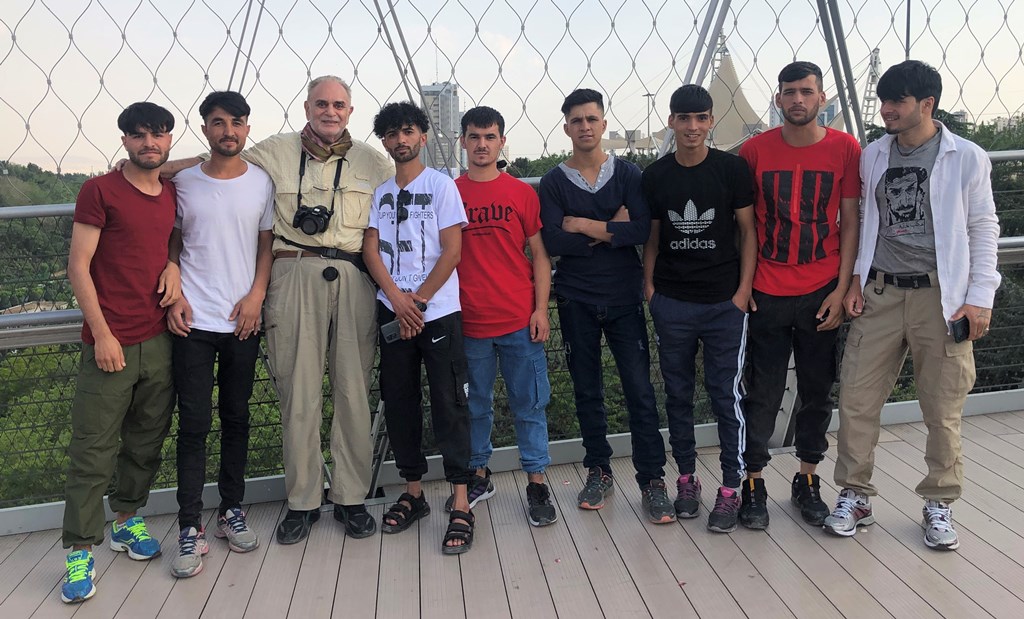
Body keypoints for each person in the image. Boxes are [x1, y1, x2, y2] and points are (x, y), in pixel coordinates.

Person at [156, 76, 393, 544]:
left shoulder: (372, 161)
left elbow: (405, 202)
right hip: (292, 273)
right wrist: (155, 168)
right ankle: (303, 501)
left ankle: (350, 497)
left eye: (339, 105)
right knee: (297, 393)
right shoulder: (273, 152)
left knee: (353, 391)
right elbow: (218, 163)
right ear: (306, 107)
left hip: (353, 278)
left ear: (350, 110)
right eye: (321, 103)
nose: (330, 111)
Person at [825, 60, 1001, 550]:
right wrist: (857, 279)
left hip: (939, 298)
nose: (886, 111)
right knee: (857, 399)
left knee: (941, 407)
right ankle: (855, 494)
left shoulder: (965, 157)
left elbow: (983, 227)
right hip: (880, 292)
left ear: (927, 104)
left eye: (897, 102)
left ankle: (939, 503)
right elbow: (864, 222)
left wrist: (979, 298)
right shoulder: (874, 154)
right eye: (883, 102)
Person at [60, 102, 181, 603]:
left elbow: (169, 238)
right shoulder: (100, 190)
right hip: (110, 340)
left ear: (170, 139)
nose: (148, 143)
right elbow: (78, 265)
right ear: (125, 140)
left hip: (159, 337)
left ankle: (126, 521)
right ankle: (78, 551)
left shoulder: (171, 191)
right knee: (93, 448)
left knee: (147, 439)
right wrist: (102, 333)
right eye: (138, 135)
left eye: (157, 134)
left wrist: (173, 266)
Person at [738, 61, 861, 529]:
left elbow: (849, 221)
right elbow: (743, 226)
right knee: (762, 392)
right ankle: (753, 481)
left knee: (816, 390)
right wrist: (744, 285)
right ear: (778, 99)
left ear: (821, 97)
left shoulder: (845, 149)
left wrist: (842, 285)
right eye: (789, 92)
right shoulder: (753, 151)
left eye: (806, 91)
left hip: (820, 290)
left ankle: (807, 478)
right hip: (767, 290)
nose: (797, 100)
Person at [539, 88, 669, 519]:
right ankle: (598, 469)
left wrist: (584, 225)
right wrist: (609, 228)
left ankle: (652, 477)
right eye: (577, 120)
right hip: (576, 299)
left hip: (624, 297)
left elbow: (640, 232)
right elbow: (554, 240)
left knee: (639, 391)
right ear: (566, 127)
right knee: (587, 391)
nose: (585, 127)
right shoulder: (555, 181)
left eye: (592, 119)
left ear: (603, 123)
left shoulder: (629, 172)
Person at [165, 91, 274, 578]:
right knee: (192, 425)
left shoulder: (262, 182)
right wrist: (173, 280)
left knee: (236, 417)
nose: (228, 130)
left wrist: (257, 296)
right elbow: (171, 238)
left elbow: (266, 246)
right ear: (205, 128)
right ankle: (189, 525)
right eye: (217, 122)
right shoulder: (182, 181)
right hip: (191, 321)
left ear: (248, 128)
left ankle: (232, 509)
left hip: (242, 321)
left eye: (236, 122)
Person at [362, 101, 476, 554]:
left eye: (408, 131)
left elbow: (452, 251)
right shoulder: (380, 191)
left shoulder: (442, 186)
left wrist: (420, 301)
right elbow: (372, 250)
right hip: (394, 309)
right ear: (385, 142)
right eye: (391, 134)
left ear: (423, 136)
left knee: (450, 402)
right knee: (400, 402)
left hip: (439, 310)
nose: (400, 140)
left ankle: (462, 501)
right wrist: (397, 299)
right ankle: (414, 493)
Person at [641, 85, 757, 532]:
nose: (692, 127)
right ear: (672, 121)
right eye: (684, 118)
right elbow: (652, 236)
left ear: (710, 121)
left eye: (701, 118)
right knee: (678, 395)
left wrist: (743, 291)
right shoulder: (656, 175)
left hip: (724, 303)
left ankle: (732, 487)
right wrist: (651, 289)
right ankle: (686, 480)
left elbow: (747, 232)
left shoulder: (731, 169)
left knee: (726, 396)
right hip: (673, 302)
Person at [453, 105, 558, 527]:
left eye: (490, 136)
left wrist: (540, 309)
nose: (482, 144)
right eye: (474, 136)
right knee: (474, 407)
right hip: (469, 322)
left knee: (529, 404)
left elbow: (540, 256)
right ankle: (479, 475)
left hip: (518, 319)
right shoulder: (449, 192)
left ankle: (536, 482)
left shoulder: (521, 193)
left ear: (501, 142)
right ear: (463, 141)